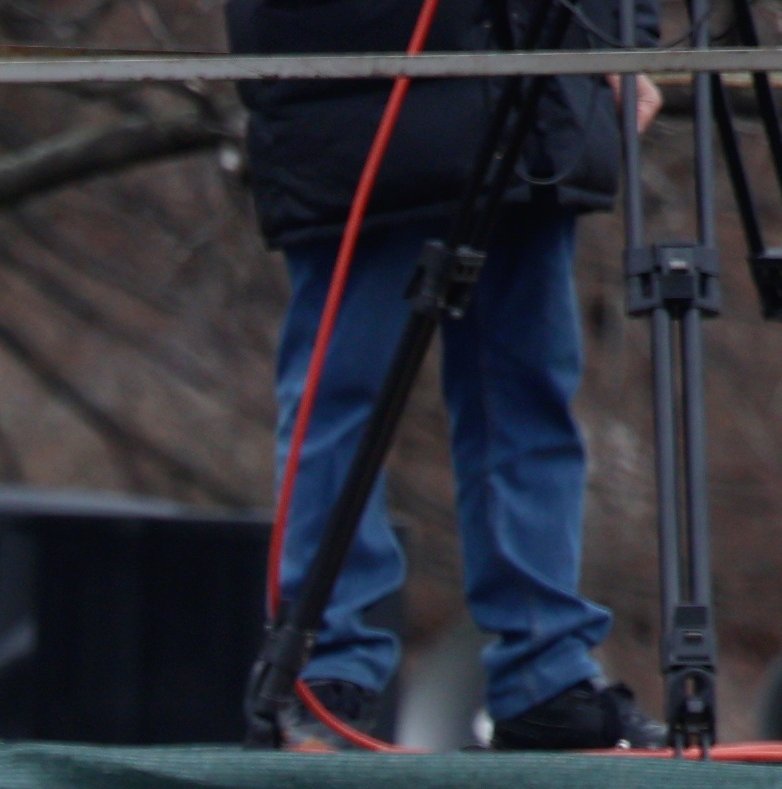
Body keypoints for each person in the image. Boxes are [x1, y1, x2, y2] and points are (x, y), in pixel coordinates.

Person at [229, 0, 647, 750]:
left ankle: (545, 671)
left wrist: (625, 40)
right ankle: (327, 663)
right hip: (367, 90)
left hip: (534, 85)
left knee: (529, 395)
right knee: (344, 388)